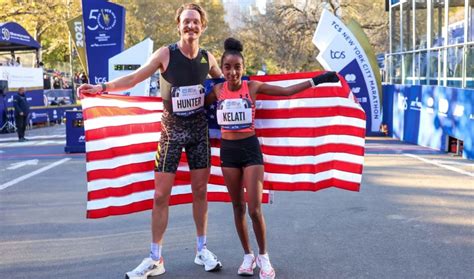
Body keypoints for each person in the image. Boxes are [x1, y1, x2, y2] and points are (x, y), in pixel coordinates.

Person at [78, 3, 223, 278]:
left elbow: (225, 84)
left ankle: (202, 249)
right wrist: (102, 88)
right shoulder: (166, 54)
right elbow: (135, 77)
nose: (191, 26)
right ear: (178, 25)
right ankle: (155, 257)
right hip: (170, 131)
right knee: (160, 195)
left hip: (198, 132)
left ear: (203, 27)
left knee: (201, 192)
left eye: (195, 22)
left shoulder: (208, 58)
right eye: (186, 21)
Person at [205, 38, 340, 279]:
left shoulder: (253, 87)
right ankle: (247, 256)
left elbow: (287, 92)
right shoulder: (217, 91)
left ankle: (264, 257)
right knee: (238, 207)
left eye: (237, 67)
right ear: (222, 69)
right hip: (228, 152)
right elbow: (196, 106)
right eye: (227, 67)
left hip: (250, 150)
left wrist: (318, 79)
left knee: (255, 209)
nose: (232, 71)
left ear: (243, 68)